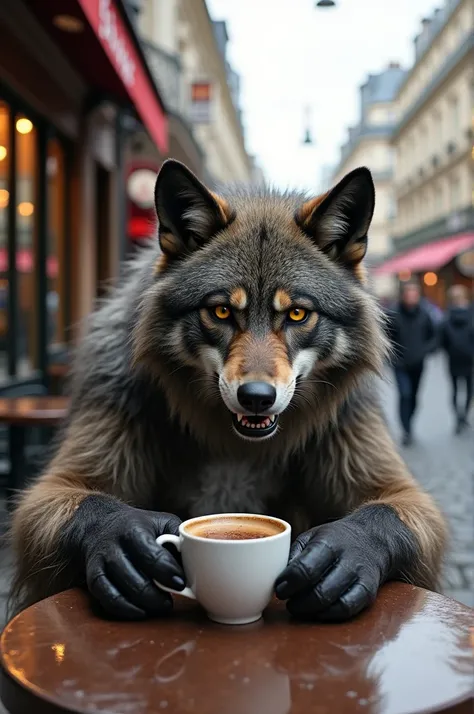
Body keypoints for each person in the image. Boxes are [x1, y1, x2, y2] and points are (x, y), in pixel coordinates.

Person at [386, 281, 438, 446]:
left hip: (418, 363)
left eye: (414, 294)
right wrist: (393, 357)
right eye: (408, 294)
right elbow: (386, 338)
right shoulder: (394, 313)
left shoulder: (424, 313)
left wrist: (425, 350)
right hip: (400, 364)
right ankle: (406, 430)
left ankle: (410, 422)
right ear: (403, 295)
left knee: (414, 396)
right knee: (405, 395)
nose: (411, 297)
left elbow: (434, 335)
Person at [441, 285, 474, 434]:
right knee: (469, 390)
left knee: (454, 389)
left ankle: (458, 418)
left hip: (453, 358)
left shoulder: (447, 316)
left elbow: (442, 340)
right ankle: (464, 416)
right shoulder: (471, 314)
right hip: (470, 358)